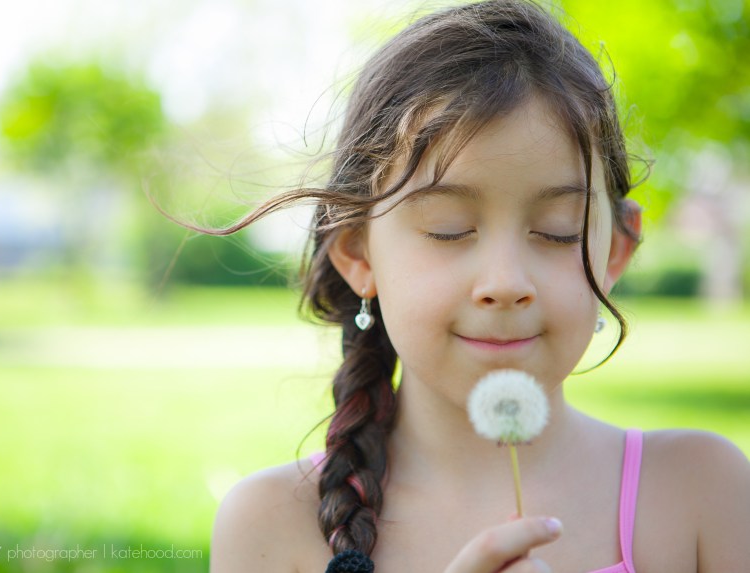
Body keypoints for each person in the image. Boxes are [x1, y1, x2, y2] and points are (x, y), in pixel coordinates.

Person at [206, 1, 750, 571]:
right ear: (356, 251)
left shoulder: (699, 494)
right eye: (449, 230)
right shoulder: (270, 526)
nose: (506, 283)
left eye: (556, 232)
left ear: (614, 249)